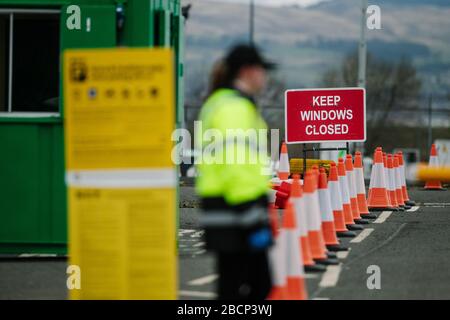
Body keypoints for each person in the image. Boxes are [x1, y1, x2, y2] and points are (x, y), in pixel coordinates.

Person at [196, 44, 276, 300]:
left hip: (227, 209)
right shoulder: (234, 108)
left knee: (233, 285)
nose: (265, 77)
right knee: (255, 286)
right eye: (262, 70)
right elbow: (235, 164)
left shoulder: (224, 103)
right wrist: (251, 215)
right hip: (238, 210)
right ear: (248, 71)